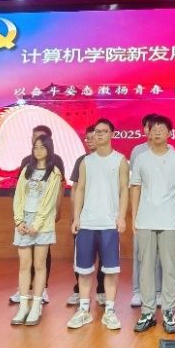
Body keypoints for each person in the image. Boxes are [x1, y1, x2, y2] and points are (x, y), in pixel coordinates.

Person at [67, 118, 129, 331]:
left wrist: (121, 217)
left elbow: (124, 190)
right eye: (96, 131)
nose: (99, 134)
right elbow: (80, 189)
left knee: (111, 270)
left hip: (109, 224)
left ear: (112, 134)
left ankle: (109, 311)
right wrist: (77, 217)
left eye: (104, 131)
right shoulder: (86, 161)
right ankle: (84, 310)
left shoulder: (120, 160)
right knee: (84, 270)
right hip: (87, 223)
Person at [131, 115, 175, 333]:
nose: (157, 131)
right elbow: (135, 187)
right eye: (153, 128)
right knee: (146, 267)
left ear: (169, 133)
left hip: (169, 220)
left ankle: (168, 311)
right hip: (145, 220)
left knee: (170, 267)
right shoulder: (141, 159)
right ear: (148, 131)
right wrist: (134, 216)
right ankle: (147, 312)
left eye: (162, 128)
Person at [11, 134, 64, 325]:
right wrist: (19, 221)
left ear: (49, 149)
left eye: (42, 147)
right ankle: (23, 306)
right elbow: (18, 196)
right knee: (24, 265)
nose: (38, 151)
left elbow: (49, 203)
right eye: (35, 147)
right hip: (24, 222)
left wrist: (37, 224)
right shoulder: (27, 169)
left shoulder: (54, 172)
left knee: (40, 265)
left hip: (43, 224)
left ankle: (36, 305)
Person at [67, 125, 106, 306]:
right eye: (87, 138)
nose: (90, 141)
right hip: (83, 217)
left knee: (104, 256)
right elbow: (75, 189)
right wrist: (74, 215)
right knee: (81, 256)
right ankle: (79, 290)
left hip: (103, 217)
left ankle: (102, 290)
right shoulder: (81, 161)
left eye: (93, 137)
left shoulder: (111, 160)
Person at [129, 113, 163, 308]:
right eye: (149, 127)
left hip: (162, 211)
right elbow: (135, 183)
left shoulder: (170, 151)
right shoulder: (138, 151)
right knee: (139, 253)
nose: (153, 131)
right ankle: (137, 291)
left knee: (159, 255)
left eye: (158, 128)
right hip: (142, 210)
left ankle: (158, 291)